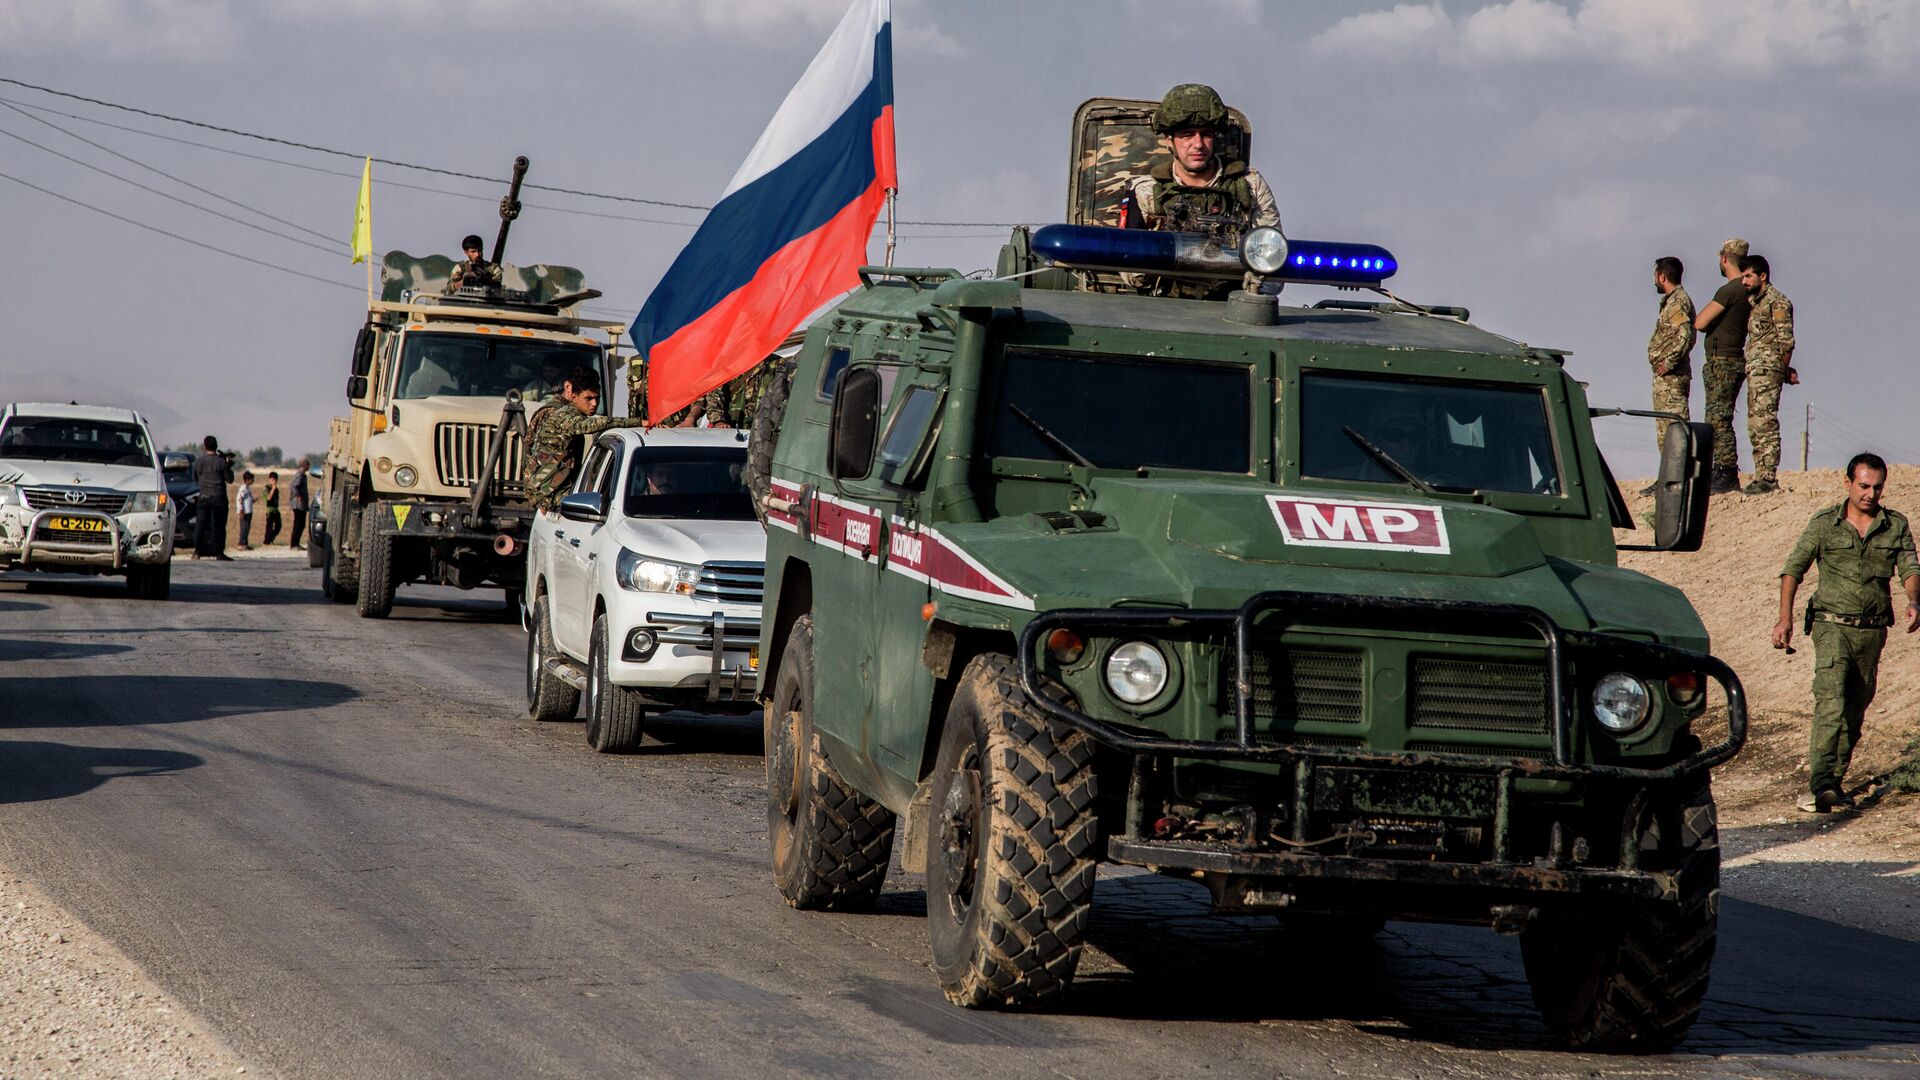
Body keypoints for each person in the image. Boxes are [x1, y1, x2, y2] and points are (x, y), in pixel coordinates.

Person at [1772, 453, 1919, 813]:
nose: (1871, 493)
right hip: (1830, 625)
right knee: (1831, 700)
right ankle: (1819, 783)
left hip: (1871, 631)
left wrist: (1914, 600)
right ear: (1848, 483)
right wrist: (1784, 618)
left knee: (1856, 707)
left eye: (1877, 487)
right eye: (1864, 485)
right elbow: (1793, 569)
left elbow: (1910, 567)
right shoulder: (1825, 524)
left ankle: (1833, 782)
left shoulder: (1894, 525)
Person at [1125, 83, 1280, 299]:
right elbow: (1130, 271)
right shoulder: (1146, 191)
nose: (1198, 144)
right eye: (1187, 135)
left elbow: (1274, 264)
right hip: (1163, 307)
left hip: (1232, 306)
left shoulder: (1250, 186)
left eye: (1206, 134)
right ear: (1169, 140)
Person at [523, 367, 647, 511]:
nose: (594, 404)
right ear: (574, 397)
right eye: (588, 398)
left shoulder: (568, 412)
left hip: (553, 490)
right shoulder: (562, 416)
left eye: (597, 398)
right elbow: (591, 424)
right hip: (548, 496)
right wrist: (638, 422)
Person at [1693, 238, 1752, 494]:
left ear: (1725, 258)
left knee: (1718, 419)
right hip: (1733, 359)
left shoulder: (1730, 290)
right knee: (1719, 416)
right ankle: (1723, 470)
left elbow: (1700, 322)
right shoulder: (1748, 289)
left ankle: (1725, 472)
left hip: (1722, 362)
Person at [1738, 254, 1796, 496]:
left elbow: (1786, 341)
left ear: (1763, 276)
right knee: (1754, 424)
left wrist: (1782, 371)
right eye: (1742, 276)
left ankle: (1768, 477)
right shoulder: (1756, 303)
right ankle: (1760, 474)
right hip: (1756, 369)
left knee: (1765, 422)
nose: (1744, 281)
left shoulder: (1777, 302)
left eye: (1748, 276)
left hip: (1768, 370)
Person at [1645, 255, 1696, 472]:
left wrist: (1669, 362)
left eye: (1656, 276)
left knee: (1675, 428)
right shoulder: (1672, 301)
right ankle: (1668, 474)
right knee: (1665, 431)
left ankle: (1678, 474)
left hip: (1672, 378)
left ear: (1662, 276)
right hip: (1666, 378)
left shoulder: (1676, 303)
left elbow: (1686, 334)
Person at [190, 435, 234, 561]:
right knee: (219, 526)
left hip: (204, 497)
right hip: (219, 498)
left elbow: (195, 479)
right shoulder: (221, 462)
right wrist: (228, 465)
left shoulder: (198, 462)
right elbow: (230, 479)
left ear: (205, 446)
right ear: (216, 446)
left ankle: (197, 551)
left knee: (200, 525)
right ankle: (219, 553)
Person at [287, 468, 308, 550]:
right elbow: (294, 486)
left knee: (300, 524)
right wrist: (299, 496)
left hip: (300, 504)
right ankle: (294, 544)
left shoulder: (300, 475)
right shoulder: (300, 475)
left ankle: (296, 543)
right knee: (298, 524)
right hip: (298, 504)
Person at [236, 471, 256, 550]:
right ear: (247, 480)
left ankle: (245, 543)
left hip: (249, 511)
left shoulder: (248, 489)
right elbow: (240, 499)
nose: (253, 481)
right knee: (244, 528)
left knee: (247, 528)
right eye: (251, 479)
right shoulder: (243, 488)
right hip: (244, 512)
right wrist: (241, 509)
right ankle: (241, 544)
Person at [262, 472, 282, 545]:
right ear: (270, 479)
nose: (274, 481)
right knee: (269, 526)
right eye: (272, 479)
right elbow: (268, 498)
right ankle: (266, 541)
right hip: (270, 510)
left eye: (275, 479)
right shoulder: (267, 488)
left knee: (278, 525)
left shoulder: (277, 489)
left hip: (275, 509)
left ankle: (271, 538)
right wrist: (273, 489)